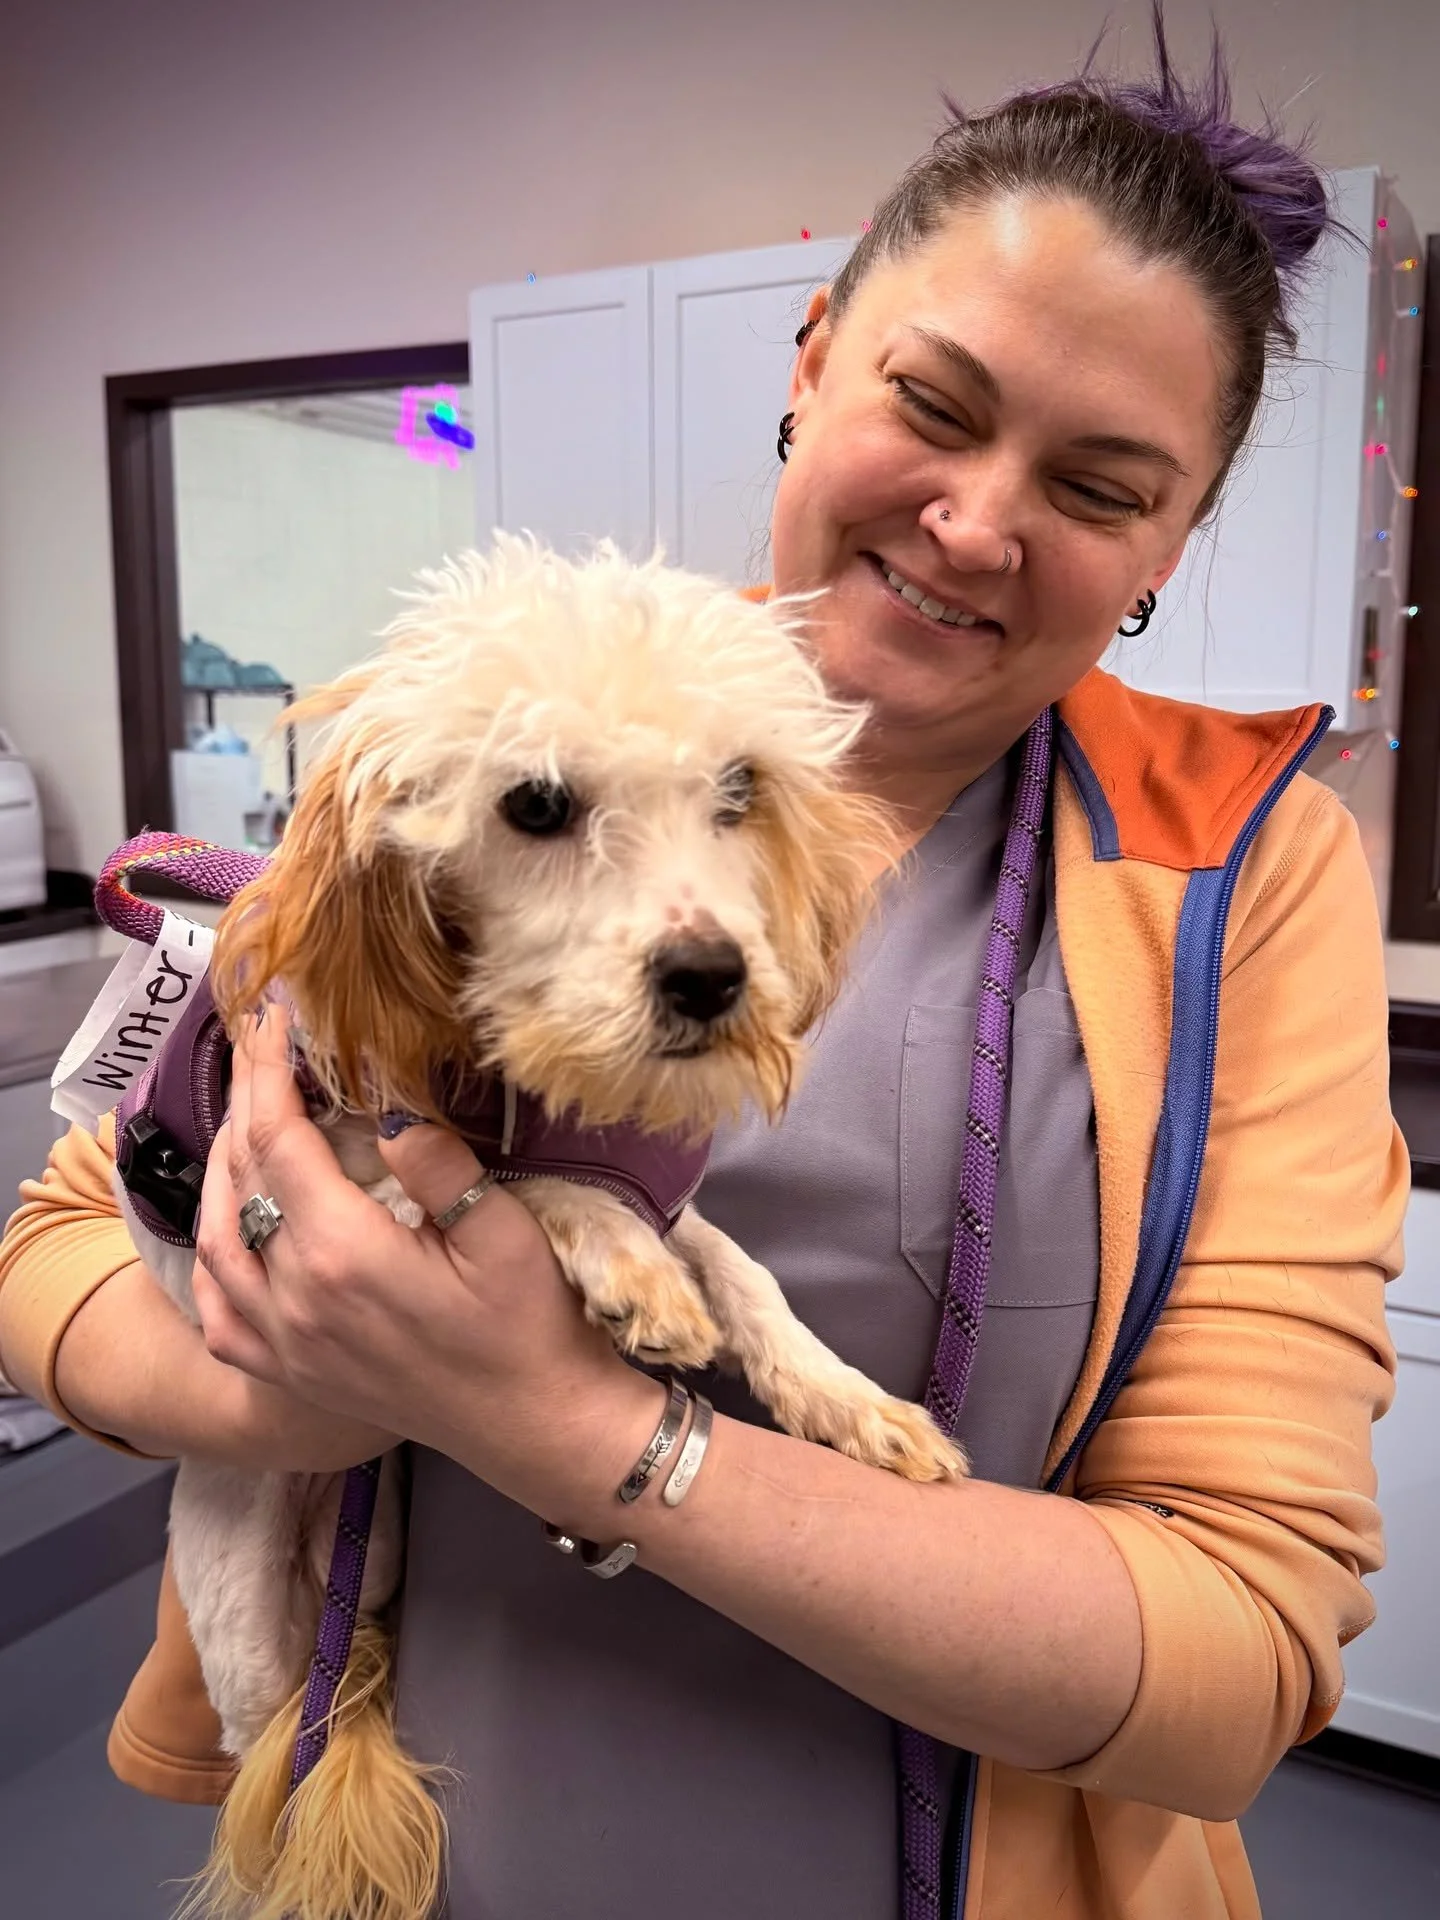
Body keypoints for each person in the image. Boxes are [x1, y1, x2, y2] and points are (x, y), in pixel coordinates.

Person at [0, 19, 1407, 1920]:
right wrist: (291, 1398)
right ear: (816, 356)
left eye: (1099, 486)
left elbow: (1241, 1657)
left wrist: (567, 1425)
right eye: (933, 399)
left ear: (1171, 538)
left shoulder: (1250, 871)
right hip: (417, 1836)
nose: (978, 522)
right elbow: (66, 1243)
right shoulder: (487, 743)